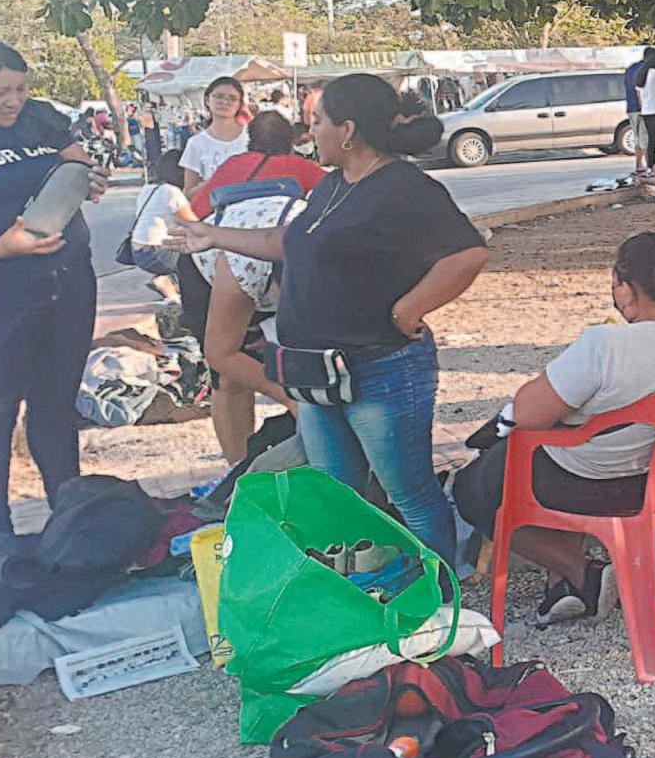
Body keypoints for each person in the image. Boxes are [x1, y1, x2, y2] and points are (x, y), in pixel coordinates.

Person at [169, 75, 489, 559]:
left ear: (348, 130)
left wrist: (409, 308)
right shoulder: (334, 185)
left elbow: (467, 254)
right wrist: (213, 235)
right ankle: (359, 585)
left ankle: (439, 590)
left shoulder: (405, 187)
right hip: (315, 373)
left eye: (317, 121)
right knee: (336, 494)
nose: (310, 131)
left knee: (409, 493)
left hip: (380, 369)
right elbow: (285, 242)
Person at [452, 231, 655, 624]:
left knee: (472, 489)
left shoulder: (605, 345)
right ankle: (563, 585)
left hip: (592, 483)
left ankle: (582, 573)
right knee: (561, 449)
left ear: (625, 290)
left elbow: (527, 414)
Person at [0, 39, 107, 535]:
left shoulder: (41, 117)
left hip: (69, 283)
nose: (12, 102)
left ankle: (70, 525)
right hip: (3, 295)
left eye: (19, 89)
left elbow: (76, 168)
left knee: (56, 408)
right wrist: (3, 248)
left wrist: (90, 181)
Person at [194, 191, 307, 461]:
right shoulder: (243, 267)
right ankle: (239, 470)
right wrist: (289, 399)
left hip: (282, 252)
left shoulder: (332, 251)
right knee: (231, 377)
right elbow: (220, 354)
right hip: (215, 266)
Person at [186, 111, 324, 219]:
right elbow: (334, 199)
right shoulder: (301, 167)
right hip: (282, 242)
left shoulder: (233, 165)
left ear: (251, 137)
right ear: (290, 138)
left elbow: (197, 210)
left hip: (232, 241)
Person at [127, 150, 195, 300]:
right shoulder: (171, 191)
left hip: (138, 249)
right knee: (196, 255)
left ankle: (171, 293)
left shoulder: (148, 188)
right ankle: (166, 281)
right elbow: (193, 224)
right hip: (156, 252)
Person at [180, 76, 250, 196]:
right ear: (207, 100)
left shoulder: (252, 136)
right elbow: (188, 194)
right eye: (219, 96)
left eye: (232, 98)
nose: (225, 102)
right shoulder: (196, 143)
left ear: (240, 104)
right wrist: (216, 181)